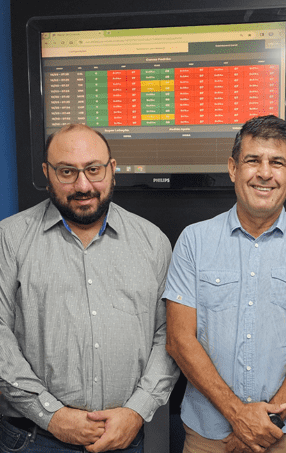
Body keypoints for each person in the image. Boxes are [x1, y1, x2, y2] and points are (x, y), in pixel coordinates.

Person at [164, 115, 286, 453]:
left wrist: (266, 423)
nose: (264, 173)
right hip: (209, 435)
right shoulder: (193, 242)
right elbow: (179, 339)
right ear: (233, 168)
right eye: (253, 160)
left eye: (277, 163)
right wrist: (238, 415)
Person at [0, 123, 179, 453]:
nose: (83, 185)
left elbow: (169, 334)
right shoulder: (9, 239)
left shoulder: (152, 242)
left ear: (112, 169)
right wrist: (51, 415)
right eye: (67, 172)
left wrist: (137, 410)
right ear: (47, 173)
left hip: (124, 438)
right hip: (34, 439)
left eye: (94, 170)